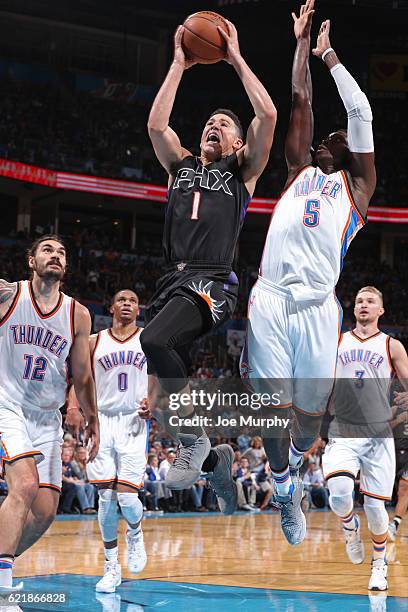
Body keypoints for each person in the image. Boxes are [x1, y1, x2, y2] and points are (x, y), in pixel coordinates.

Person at [241, 0, 376, 546]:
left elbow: (361, 113)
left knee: (308, 419)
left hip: (320, 306)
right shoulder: (299, 168)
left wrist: (329, 56)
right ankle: (281, 487)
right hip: (271, 297)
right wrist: (300, 44)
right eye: (325, 138)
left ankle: (294, 468)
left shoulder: (358, 191)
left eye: (336, 140)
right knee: (272, 412)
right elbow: (299, 100)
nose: (328, 139)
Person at [143, 17, 277, 515]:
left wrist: (235, 57)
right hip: (172, 280)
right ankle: (216, 462)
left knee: (153, 341)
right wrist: (179, 62)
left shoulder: (242, 173)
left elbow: (267, 113)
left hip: (213, 280)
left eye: (224, 124)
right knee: (159, 388)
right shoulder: (179, 166)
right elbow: (157, 125)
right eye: (209, 123)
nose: (212, 126)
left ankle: (195, 438)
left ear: (239, 144)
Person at [0, 234, 99, 593]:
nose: (55, 255)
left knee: (43, 512)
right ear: (31, 261)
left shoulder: (78, 314)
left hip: (47, 417)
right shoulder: (9, 295)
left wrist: (93, 418)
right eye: (47, 249)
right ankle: (3, 588)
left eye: (61, 252)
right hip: (7, 406)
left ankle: (0, 564)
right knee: (24, 485)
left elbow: (83, 376)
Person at [322, 286, 408, 591]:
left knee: (375, 509)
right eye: (359, 300)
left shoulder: (392, 346)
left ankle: (379, 565)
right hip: (343, 428)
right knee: (340, 492)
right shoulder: (337, 341)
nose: (364, 304)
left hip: (378, 433)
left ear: (380, 311)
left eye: (370, 301)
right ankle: (349, 526)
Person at [66, 289, 149, 594]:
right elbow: (80, 377)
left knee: (127, 498)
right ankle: (111, 566)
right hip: (99, 420)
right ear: (112, 306)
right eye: (122, 300)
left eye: (133, 301)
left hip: (133, 422)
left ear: (138, 310)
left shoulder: (148, 339)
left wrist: (154, 400)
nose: (127, 304)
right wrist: (74, 407)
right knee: (105, 497)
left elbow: (163, 376)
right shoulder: (94, 341)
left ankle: (136, 534)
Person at [388, 396, 408, 541]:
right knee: (396, 492)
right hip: (392, 453)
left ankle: (394, 523)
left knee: (404, 488)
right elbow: (382, 429)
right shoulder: (395, 409)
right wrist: (399, 420)